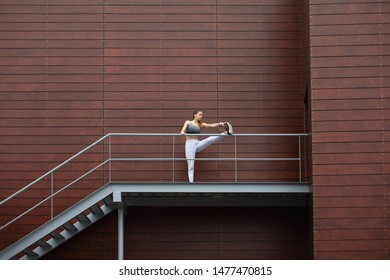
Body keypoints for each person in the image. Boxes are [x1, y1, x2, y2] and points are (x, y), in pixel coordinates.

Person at [180, 110, 233, 182]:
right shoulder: (188, 122)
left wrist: (221, 123)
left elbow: (211, 125)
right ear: (195, 115)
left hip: (197, 143)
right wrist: (184, 133)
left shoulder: (201, 124)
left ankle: (225, 133)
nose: (201, 116)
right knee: (191, 163)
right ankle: (191, 182)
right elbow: (182, 131)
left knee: (209, 139)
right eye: (200, 115)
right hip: (189, 144)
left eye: (202, 115)